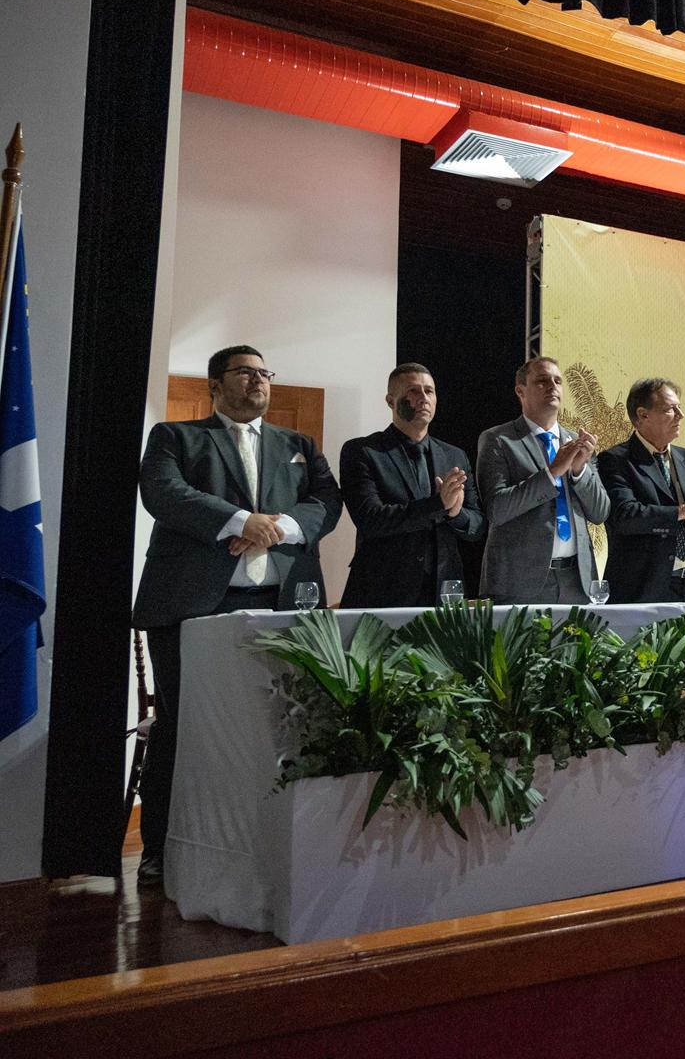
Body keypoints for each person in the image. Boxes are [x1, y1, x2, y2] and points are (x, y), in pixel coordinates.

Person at [132, 345, 342, 885]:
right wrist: (240, 520)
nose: (258, 380)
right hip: (193, 608)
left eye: (263, 372)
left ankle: (272, 843)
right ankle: (160, 850)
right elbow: (164, 493)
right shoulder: (175, 437)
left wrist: (278, 528)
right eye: (245, 372)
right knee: (181, 727)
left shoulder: (299, 445)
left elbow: (326, 502)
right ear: (215, 384)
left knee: (285, 726)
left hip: (284, 605)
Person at [338, 363, 485, 607]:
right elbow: (370, 519)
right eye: (413, 391)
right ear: (390, 400)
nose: (423, 398)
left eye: (429, 391)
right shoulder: (363, 451)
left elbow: (477, 526)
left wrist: (455, 512)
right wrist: (438, 504)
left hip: (442, 592)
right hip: (381, 590)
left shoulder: (454, 455)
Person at [476, 356, 610, 605]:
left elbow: (600, 512)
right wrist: (552, 472)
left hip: (577, 581)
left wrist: (580, 470)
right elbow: (497, 509)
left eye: (557, 381)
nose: (552, 387)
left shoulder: (577, 442)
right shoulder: (499, 440)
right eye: (542, 381)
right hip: (519, 582)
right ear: (520, 391)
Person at [596, 377, 685, 604]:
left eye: (680, 407)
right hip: (643, 587)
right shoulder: (615, 459)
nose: (680, 415)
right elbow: (625, 516)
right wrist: (679, 512)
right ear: (643, 414)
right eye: (670, 409)